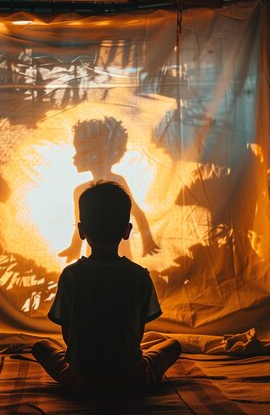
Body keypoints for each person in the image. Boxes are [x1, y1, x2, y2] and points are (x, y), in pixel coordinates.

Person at [33, 181, 181, 396]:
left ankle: (76, 375)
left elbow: (68, 335)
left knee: (41, 346)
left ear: (82, 231)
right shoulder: (139, 275)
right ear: (127, 231)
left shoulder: (71, 275)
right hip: (131, 379)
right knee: (173, 344)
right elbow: (138, 331)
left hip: (81, 380)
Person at [58, 117, 160, 262]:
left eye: (81, 151)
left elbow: (137, 213)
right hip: (95, 254)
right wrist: (74, 248)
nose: (74, 157)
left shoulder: (117, 182)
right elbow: (80, 224)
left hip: (119, 251)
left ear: (98, 154)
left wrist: (148, 242)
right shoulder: (80, 190)